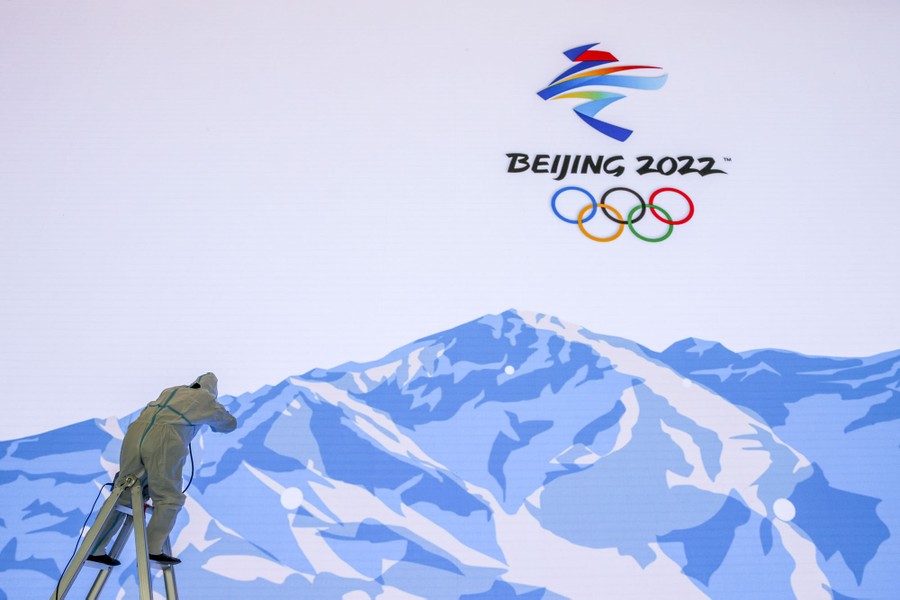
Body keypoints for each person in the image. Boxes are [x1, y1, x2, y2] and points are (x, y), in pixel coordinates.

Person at [89, 372, 237, 566]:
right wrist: (218, 410)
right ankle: (152, 549)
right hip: (165, 437)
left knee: (124, 494)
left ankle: (95, 548)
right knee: (169, 497)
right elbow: (228, 424)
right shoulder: (206, 398)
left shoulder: (171, 391)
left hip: (136, 433)